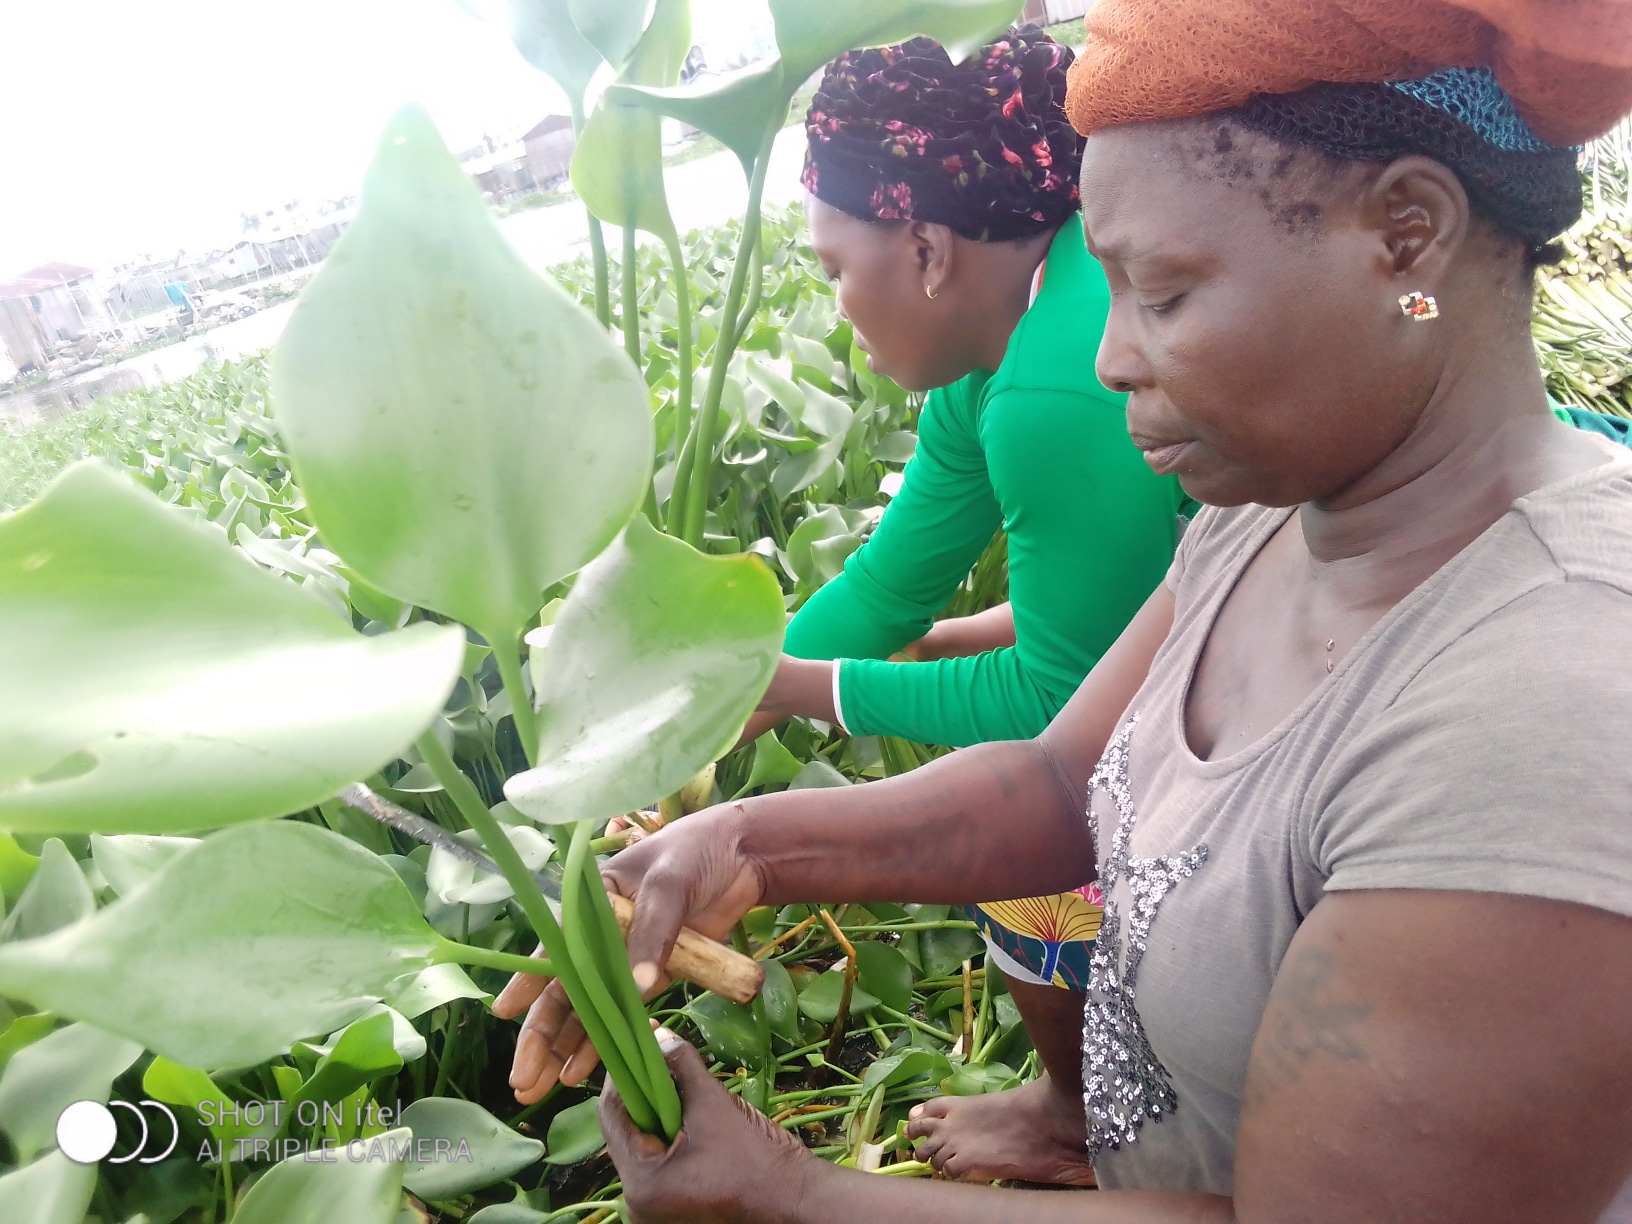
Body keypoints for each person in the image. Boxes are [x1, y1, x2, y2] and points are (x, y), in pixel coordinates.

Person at [495, 0, 1632, 1218]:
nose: (1108, 356)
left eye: (1163, 293)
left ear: (1405, 238)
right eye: (1110, 282)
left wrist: (796, 1198)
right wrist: (749, 847)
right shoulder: (1273, 513)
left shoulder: (1535, 712)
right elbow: (1060, 782)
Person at [738, 30, 1187, 1158]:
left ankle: (1078, 1125)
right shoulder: (1004, 334)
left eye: (837, 267)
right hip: (1248, 596)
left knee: (1027, 845)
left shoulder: (1054, 383)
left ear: (928, 251)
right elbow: (892, 583)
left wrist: (820, 692)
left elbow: (1063, 707)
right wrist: (740, 693)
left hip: (1407, 591)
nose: (837, 302)